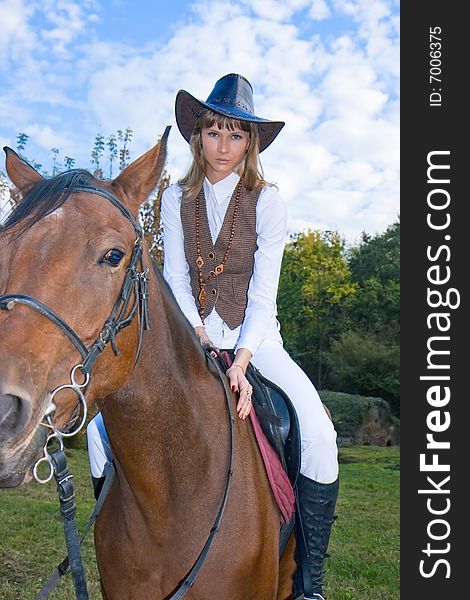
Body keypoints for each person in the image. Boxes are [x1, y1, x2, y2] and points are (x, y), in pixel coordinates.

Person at [87, 73, 339, 600]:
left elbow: (264, 291)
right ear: (197, 136)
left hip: (256, 339)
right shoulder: (177, 197)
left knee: (318, 435)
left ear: (250, 143)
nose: (223, 146)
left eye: (236, 135)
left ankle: (308, 581)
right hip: (188, 333)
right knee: (95, 432)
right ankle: (114, 538)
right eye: (213, 133)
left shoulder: (268, 201)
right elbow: (175, 276)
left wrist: (241, 361)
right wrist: (200, 340)